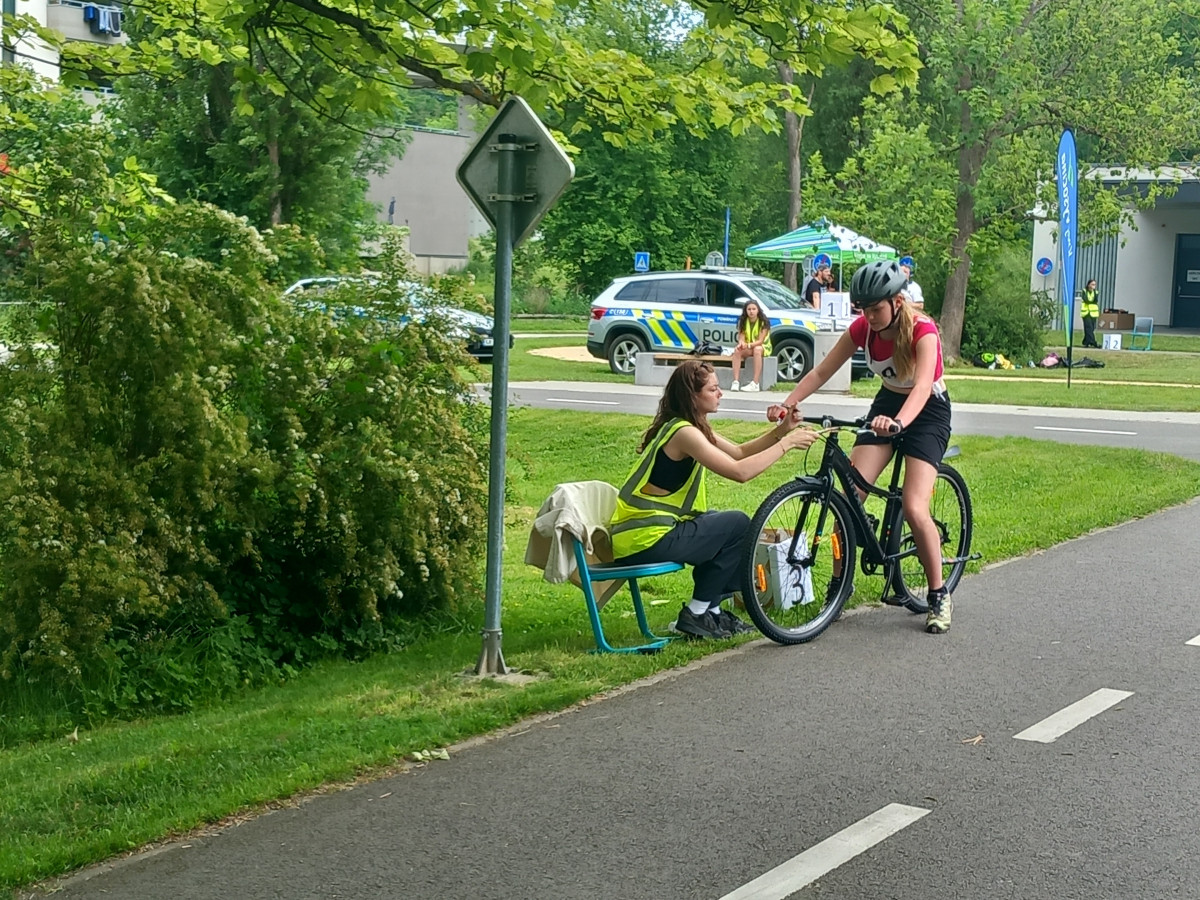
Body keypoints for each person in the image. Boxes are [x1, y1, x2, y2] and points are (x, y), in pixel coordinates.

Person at [768, 260, 954, 634]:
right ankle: (840, 585)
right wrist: (789, 403)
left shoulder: (923, 331)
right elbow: (822, 371)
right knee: (850, 497)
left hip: (927, 411)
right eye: (863, 309)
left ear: (897, 302)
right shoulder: (862, 329)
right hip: (887, 405)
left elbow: (920, 388)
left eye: (875, 309)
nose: (868, 316)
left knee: (916, 507)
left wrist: (900, 423)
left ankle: (938, 594)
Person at [609, 360, 817, 640]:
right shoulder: (685, 433)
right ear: (692, 395)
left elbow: (740, 452)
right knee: (737, 525)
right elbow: (740, 472)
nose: (721, 394)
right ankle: (696, 614)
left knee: (724, 526)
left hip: (644, 535)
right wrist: (786, 444)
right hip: (645, 538)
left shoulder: (688, 426)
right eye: (713, 389)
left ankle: (713, 614)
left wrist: (783, 430)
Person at [730, 300, 772, 392]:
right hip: (749, 347)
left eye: (754, 309)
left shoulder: (763, 322)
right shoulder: (743, 321)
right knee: (737, 350)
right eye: (749, 309)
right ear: (746, 311)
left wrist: (748, 345)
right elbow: (741, 337)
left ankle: (755, 383)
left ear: (758, 310)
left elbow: (760, 341)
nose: (751, 311)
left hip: (763, 347)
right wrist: (741, 344)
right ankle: (735, 382)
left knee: (757, 349)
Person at [1080, 278, 1100, 348]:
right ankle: (1093, 342)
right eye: (1092, 284)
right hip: (1086, 312)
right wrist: (1091, 301)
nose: (1094, 286)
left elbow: (1095, 300)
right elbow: (1086, 300)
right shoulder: (1084, 291)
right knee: (1088, 327)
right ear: (1088, 285)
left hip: (1093, 313)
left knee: (1091, 328)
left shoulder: (1096, 292)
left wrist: (1091, 300)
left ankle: (1086, 342)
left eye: (1094, 284)